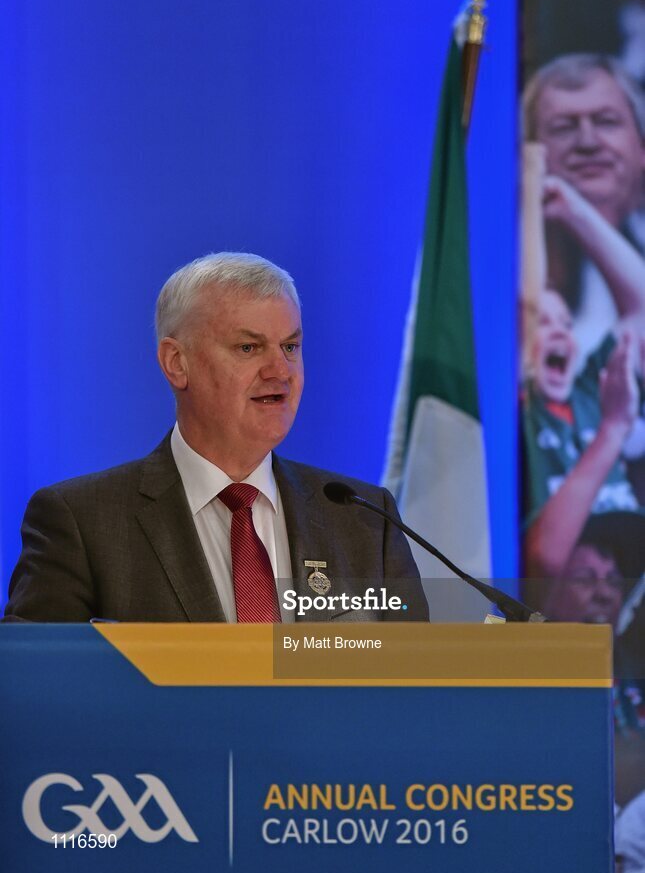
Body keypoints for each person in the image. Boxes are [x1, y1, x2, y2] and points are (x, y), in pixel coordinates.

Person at [5, 252, 428, 623]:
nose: (280, 371)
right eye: (249, 348)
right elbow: (39, 693)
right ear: (176, 363)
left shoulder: (366, 521)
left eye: (291, 347)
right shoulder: (82, 523)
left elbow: (411, 690)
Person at [521, 169, 645, 582]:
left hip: (616, 584)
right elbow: (541, 562)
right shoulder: (518, 410)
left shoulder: (590, 394)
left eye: (566, 323)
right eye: (544, 321)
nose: (559, 330)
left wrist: (575, 211)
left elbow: (641, 309)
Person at [523, 54, 645, 362]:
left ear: (641, 147)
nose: (588, 142)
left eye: (606, 122)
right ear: (529, 152)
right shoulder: (505, 262)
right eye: (564, 127)